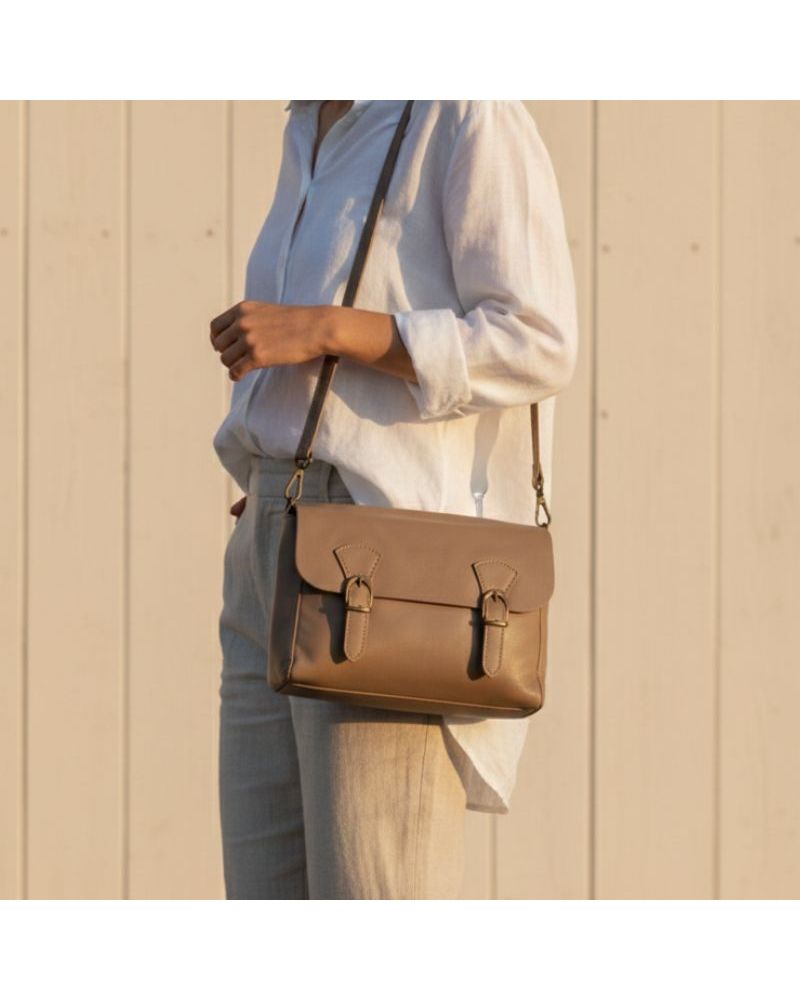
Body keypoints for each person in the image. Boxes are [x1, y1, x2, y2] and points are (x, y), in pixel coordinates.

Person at [209, 99, 578, 899]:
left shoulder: (463, 109)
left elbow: (538, 339)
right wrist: (278, 474)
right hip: (275, 537)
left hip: (374, 572)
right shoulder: (309, 122)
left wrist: (330, 329)